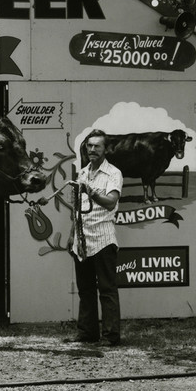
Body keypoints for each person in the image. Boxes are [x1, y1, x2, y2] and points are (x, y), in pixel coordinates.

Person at [71, 129, 123, 346]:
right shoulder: (82, 173)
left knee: (107, 290)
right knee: (85, 290)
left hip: (103, 239)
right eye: (89, 146)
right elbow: (75, 208)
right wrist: (71, 235)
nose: (92, 150)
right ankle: (87, 333)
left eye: (97, 146)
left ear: (106, 149)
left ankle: (110, 336)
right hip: (82, 240)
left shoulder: (113, 173)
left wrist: (92, 192)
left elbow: (111, 202)